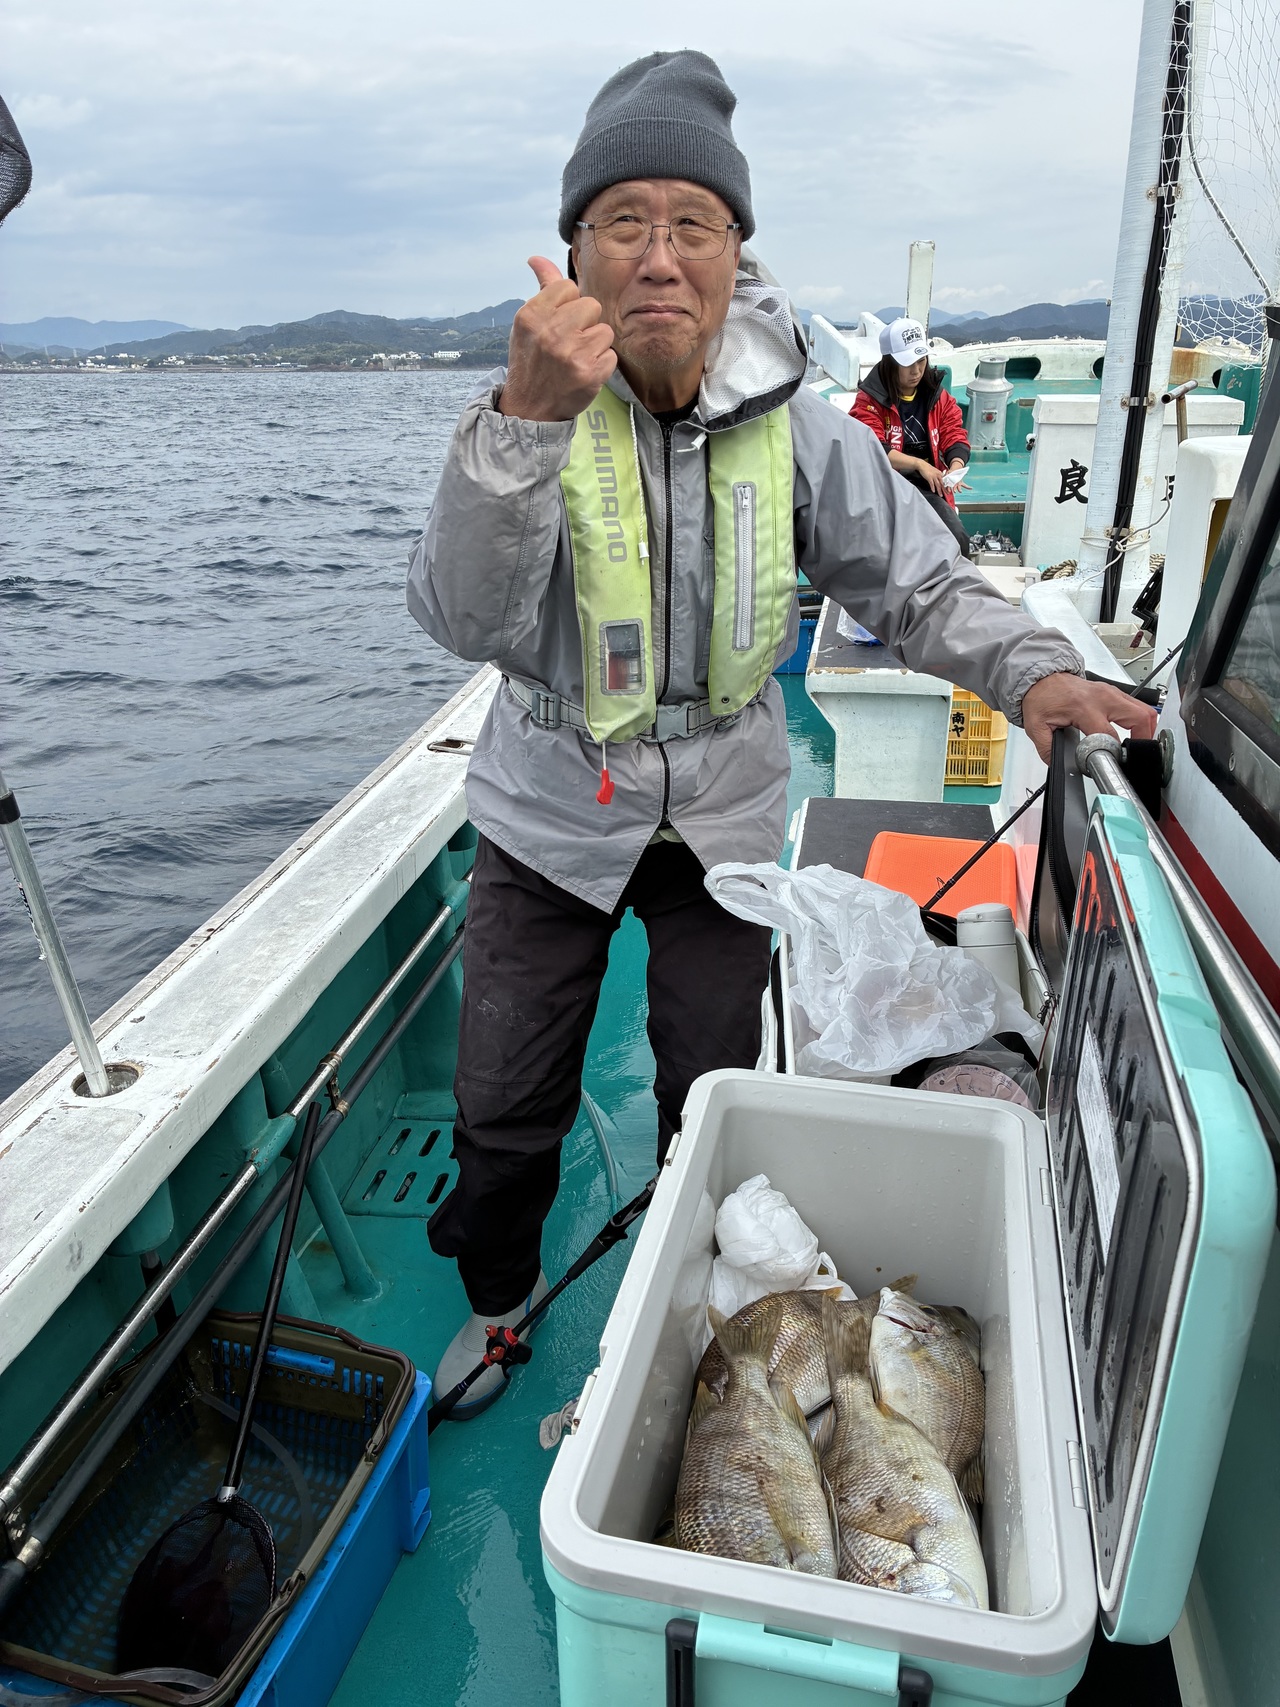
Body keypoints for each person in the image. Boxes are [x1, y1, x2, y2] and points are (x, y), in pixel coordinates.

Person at [407, 49, 1152, 1415]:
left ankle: (700, 1307)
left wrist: (1034, 673)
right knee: (503, 1096)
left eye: (692, 224)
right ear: (574, 251)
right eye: (622, 223)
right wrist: (521, 425)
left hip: (727, 810)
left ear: (734, 254)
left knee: (714, 1083)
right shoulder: (523, 411)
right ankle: (499, 1307)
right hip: (551, 805)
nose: (657, 256)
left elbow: (917, 586)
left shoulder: (801, 430)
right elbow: (458, 617)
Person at [852, 318, 972, 556]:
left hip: (930, 487)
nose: (916, 371)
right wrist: (919, 464)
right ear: (889, 362)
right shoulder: (868, 401)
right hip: (885, 489)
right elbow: (873, 447)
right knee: (891, 552)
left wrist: (955, 467)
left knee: (957, 540)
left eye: (921, 360)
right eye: (907, 363)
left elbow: (954, 432)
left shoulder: (938, 396)